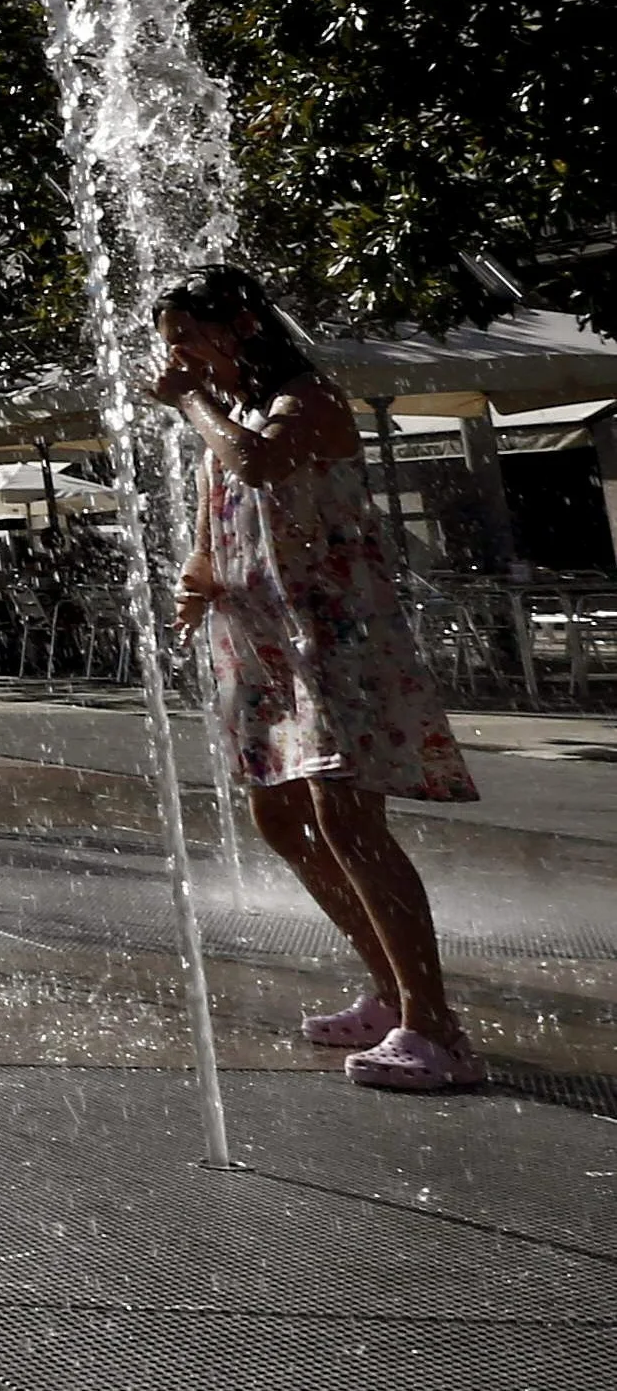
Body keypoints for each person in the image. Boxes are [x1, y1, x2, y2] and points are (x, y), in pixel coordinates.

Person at [154, 268, 483, 1094]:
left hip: (332, 634)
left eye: (186, 336)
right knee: (278, 816)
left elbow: (257, 466)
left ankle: (434, 1027)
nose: (175, 355)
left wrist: (189, 402)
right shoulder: (224, 425)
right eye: (167, 342)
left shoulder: (307, 400)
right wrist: (194, 586)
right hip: (262, 647)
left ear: (241, 327)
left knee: (348, 819)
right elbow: (212, 532)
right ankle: (387, 991)